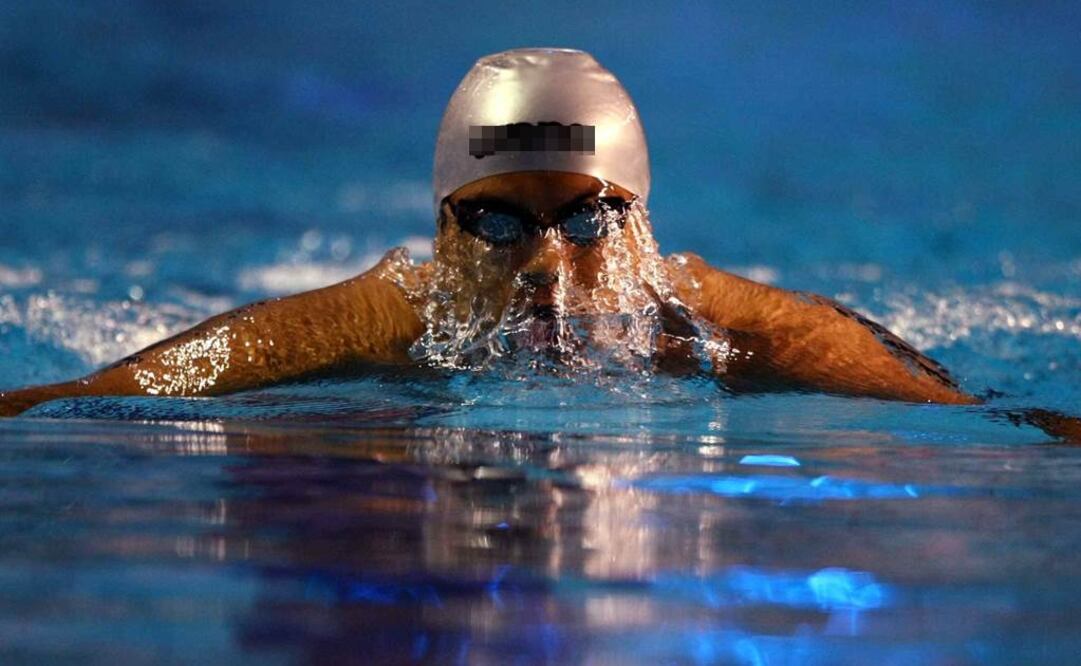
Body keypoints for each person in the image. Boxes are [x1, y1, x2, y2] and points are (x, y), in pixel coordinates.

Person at [1, 48, 1077, 439]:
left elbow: (980, 422)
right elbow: (123, 388)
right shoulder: (384, 318)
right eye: (498, 219)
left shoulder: (732, 327)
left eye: (586, 216)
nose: (544, 261)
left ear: (640, 221)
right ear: (443, 226)